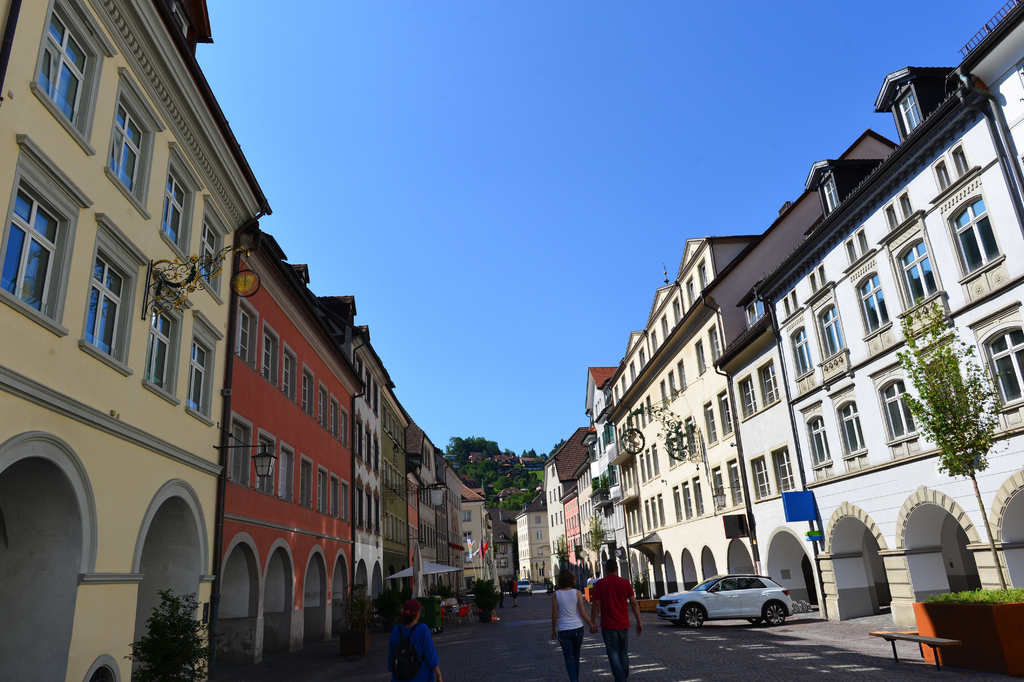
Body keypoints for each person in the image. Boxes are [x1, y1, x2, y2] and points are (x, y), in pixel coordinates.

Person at [590, 559, 642, 682]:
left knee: (613, 653)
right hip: (623, 623)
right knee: (623, 652)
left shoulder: (600, 584)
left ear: (606, 569)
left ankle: (621, 678)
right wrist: (639, 621)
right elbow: (634, 603)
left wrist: (593, 623)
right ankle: (624, 677)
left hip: (608, 625)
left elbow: (595, 604)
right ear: (617, 569)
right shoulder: (625, 583)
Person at [551, 569, 596, 682]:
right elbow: (583, 612)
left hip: (564, 629)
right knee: (576, 656)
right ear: (571, 579)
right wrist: (591, 625)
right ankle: (576, 679)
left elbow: (554, 614)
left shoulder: (556, 595)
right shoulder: (577, 593)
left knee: (569, 658)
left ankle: (574, 680)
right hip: (577, 628)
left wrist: (553, 630)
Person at [388, 599, 443, 682]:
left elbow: (391, 656)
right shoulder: (422, 629)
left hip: (399, 677)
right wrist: (439, 675)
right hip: (420, 676)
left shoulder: (395, 630)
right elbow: (430, 655)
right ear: (417, 613)